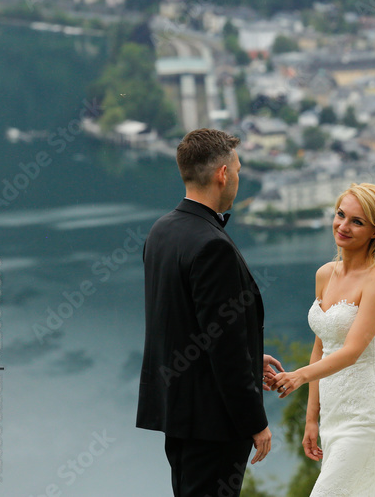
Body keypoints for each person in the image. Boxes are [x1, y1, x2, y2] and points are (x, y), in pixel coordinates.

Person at [136, 128, 284, 497]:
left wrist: (252, 356)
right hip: (214, 422)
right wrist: (256, 422)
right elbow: (224, 347)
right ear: (222, 174)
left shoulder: (162, 231)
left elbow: (179, 324)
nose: (238, 176)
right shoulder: (210, 245)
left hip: (179, 413)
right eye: (237, 168)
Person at [270, 182, 375, 496]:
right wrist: (311, 418)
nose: (343, 226)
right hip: (333, 412)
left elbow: (353, 351)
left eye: (357, 221)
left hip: (367, 415)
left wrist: (297, 376)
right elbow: (320, 347)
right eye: (340, 215)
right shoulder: (324, 274)